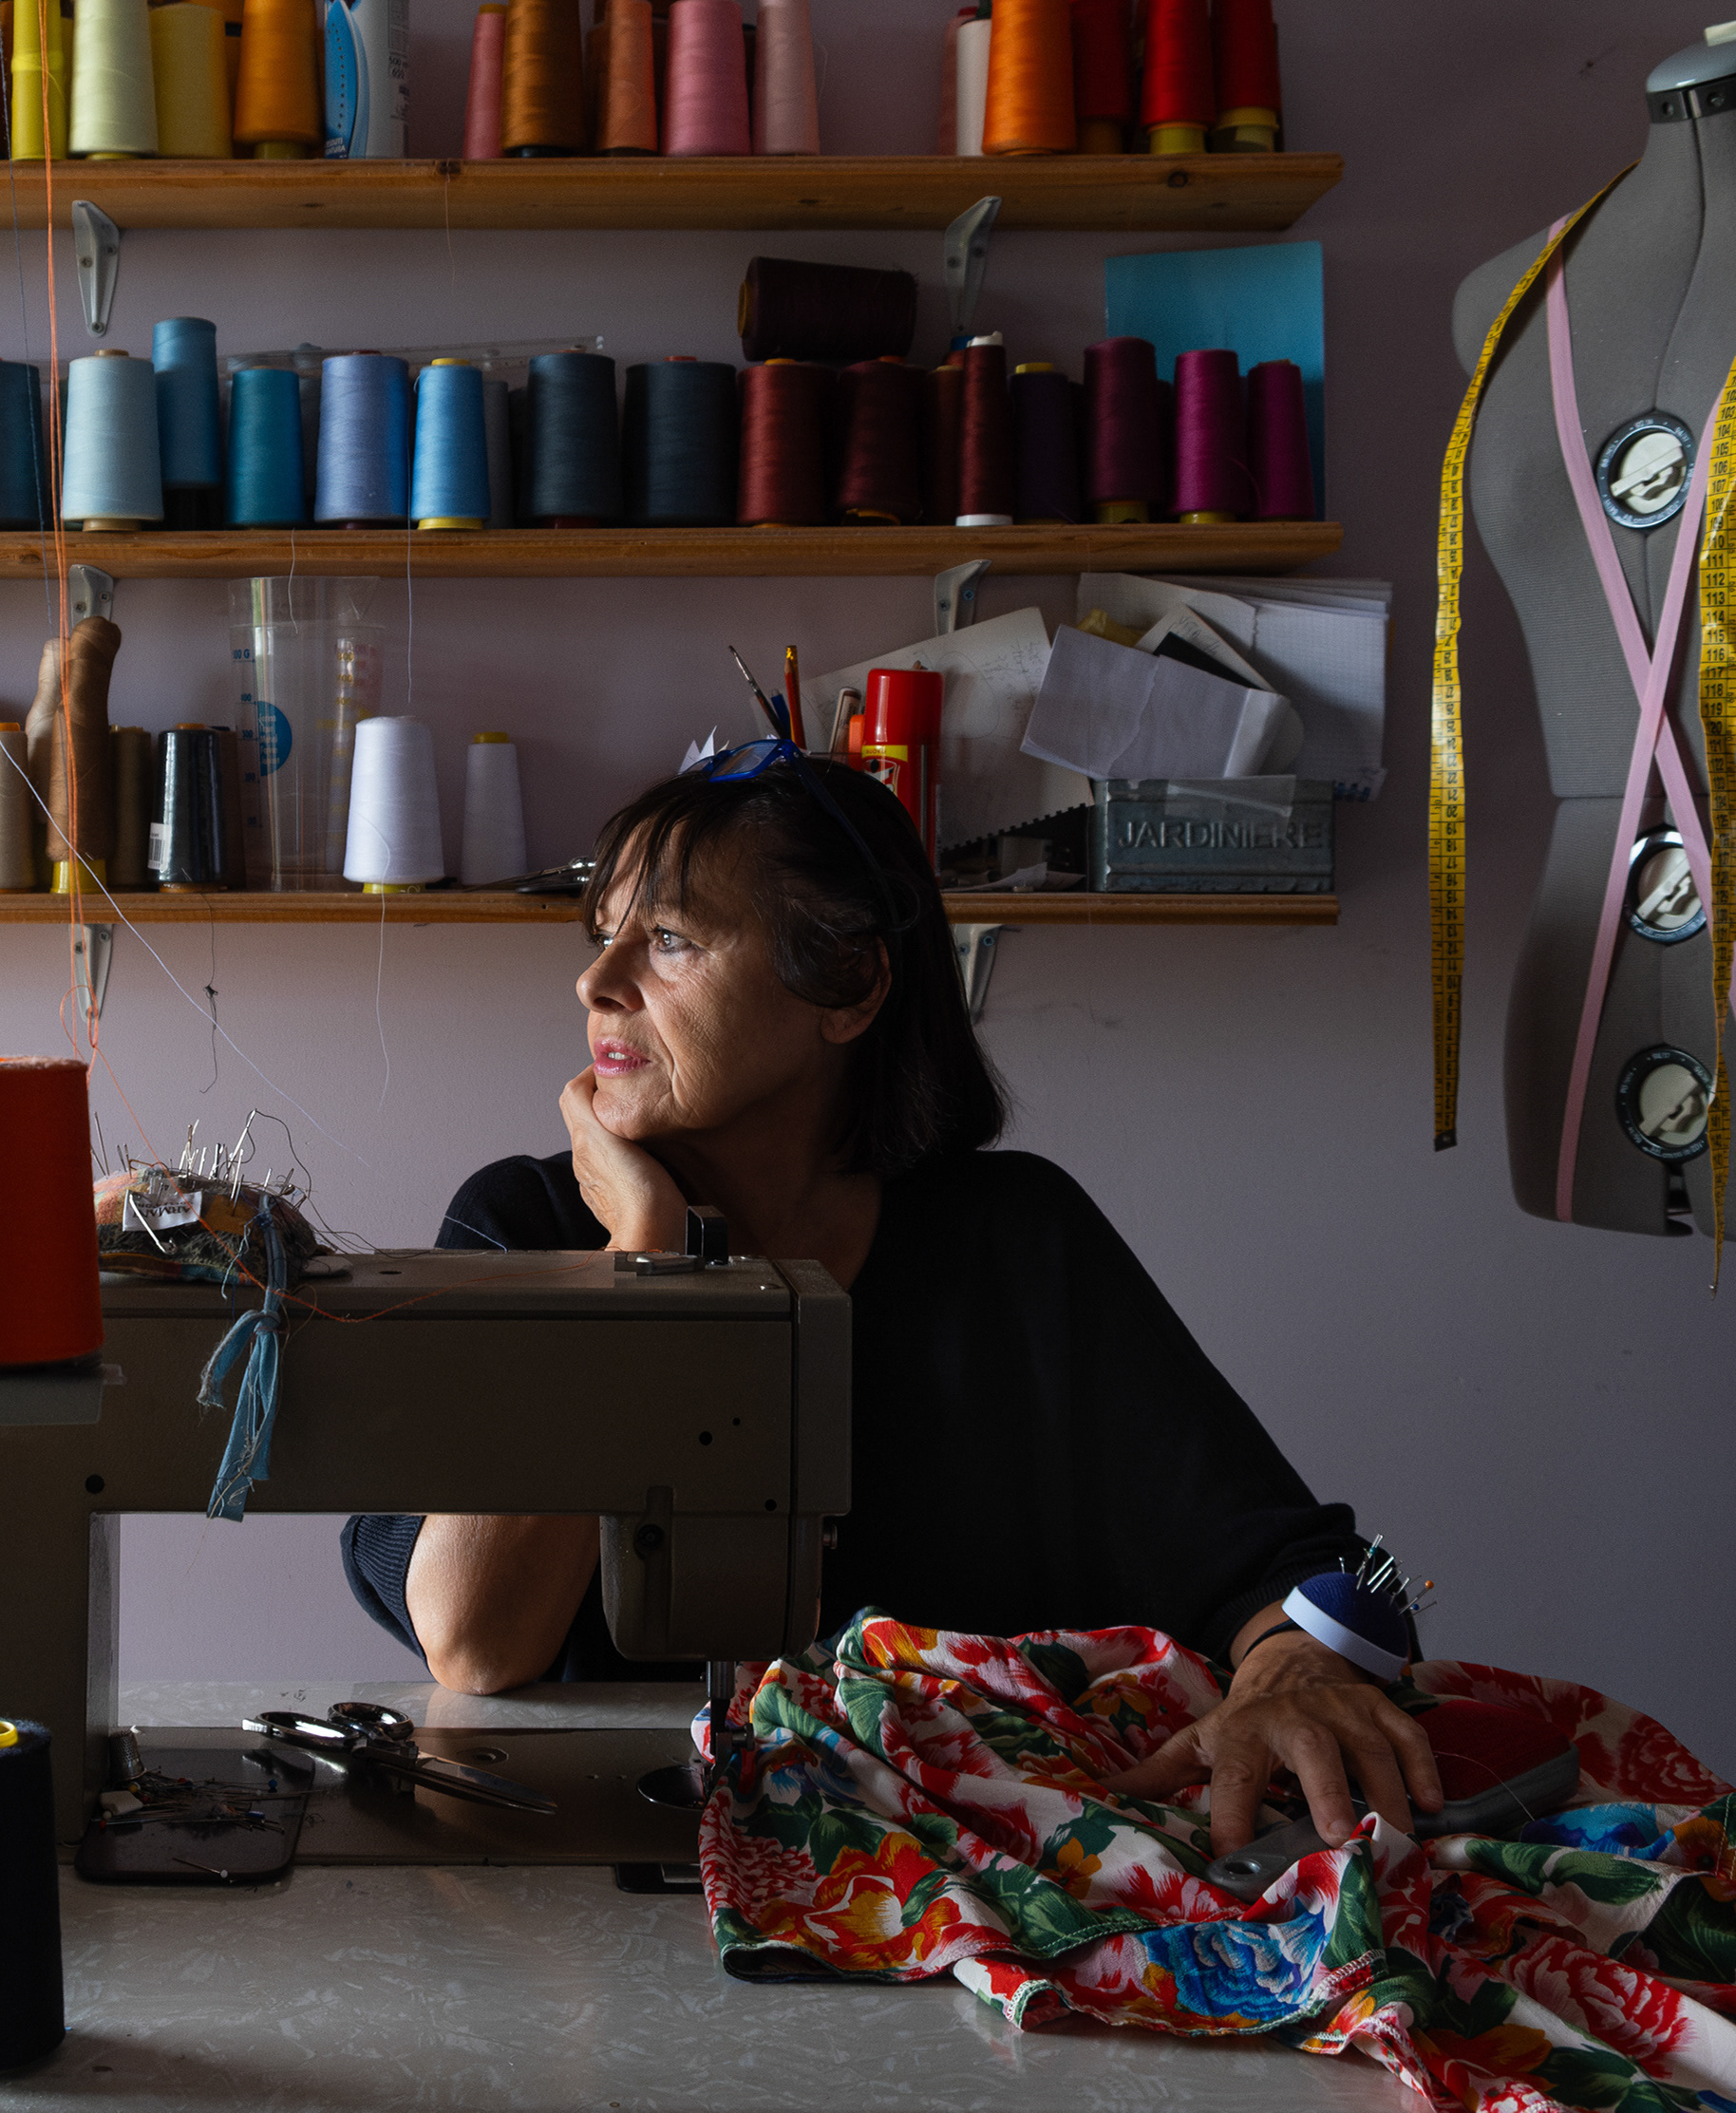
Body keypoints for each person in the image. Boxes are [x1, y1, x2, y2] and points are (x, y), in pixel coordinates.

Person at [340, 741, 1439, 1856]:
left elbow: (1291, 1568)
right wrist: (638, 1258)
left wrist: (1289, 1670)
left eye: (668, 938)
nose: (597, 981)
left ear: (851, 984)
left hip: (975, 1876)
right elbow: (474, 1642)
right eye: (602, 934)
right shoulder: (525, 1228)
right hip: (602, 1878)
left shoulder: (1013, 1243)